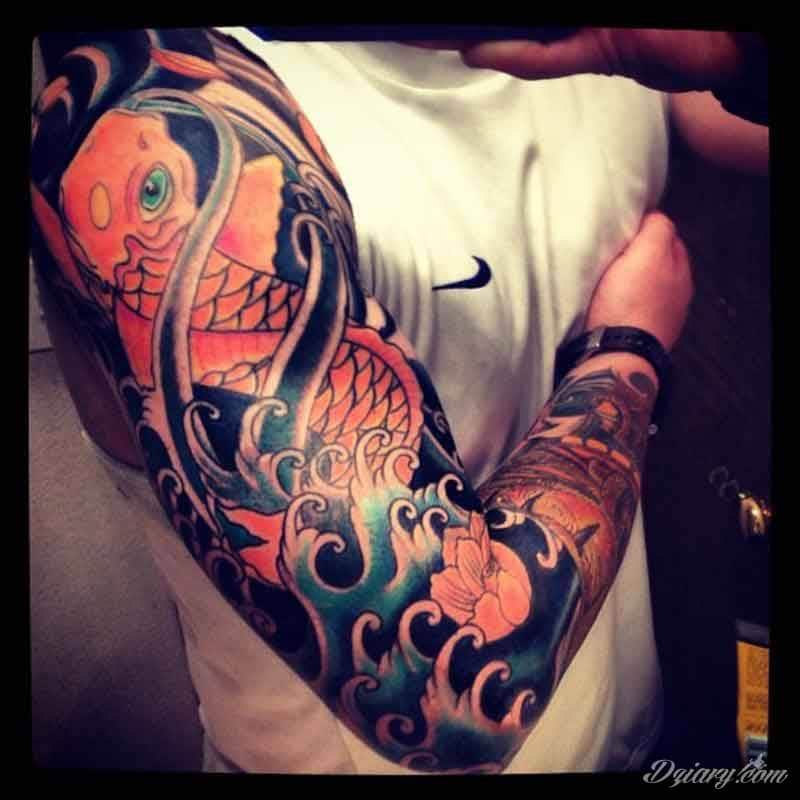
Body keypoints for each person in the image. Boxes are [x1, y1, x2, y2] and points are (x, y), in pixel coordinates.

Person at [29, 26, 765, 773]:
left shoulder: (613, 44)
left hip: (627, 728)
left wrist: (748, 58)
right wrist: (628, 351)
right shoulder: (157, 126)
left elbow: (729, 102)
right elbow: (452, 694)